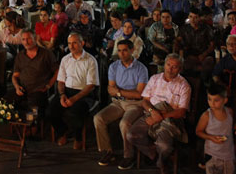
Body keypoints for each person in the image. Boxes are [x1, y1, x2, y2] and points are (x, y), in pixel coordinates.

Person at [127, 53, 191, 174]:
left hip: (170, 118)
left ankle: (161, 161)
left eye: (175, 66)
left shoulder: (184, 85)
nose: (170, 69)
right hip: (151, 113)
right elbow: (144, 101)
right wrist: (152, 112)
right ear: (164, 65)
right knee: (131, 135)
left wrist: (161, 116)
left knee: (164, 146)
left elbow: (181, 111)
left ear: (180, 69)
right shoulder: (155, 78)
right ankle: (152, 153)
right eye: (168, 65)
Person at [95, 39, 148, 167]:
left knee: (124, 123)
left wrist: (118, 91)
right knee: (98, 118)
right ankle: (107, 151)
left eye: (125, 50)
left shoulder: (141, 69)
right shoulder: (114, 66)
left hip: (135, 104)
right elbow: (110, 89)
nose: (121, 54)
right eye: (119, 51)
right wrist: (122, 93)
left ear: (132, 50)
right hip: (118, 103)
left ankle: (128, 156)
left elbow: (139, 94)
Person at [49, 32, 99, 148]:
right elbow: (60, 81)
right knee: (50, 111)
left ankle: (78, 137)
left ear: (82, 43)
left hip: (84, 93)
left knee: (75, 112)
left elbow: (91, 85)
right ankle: (63, 132)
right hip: (66, 91)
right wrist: (62, 95)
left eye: (75, 43)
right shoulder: (65, 59)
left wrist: (74, 99)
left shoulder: (90, 60)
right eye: (69, 43)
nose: (71, 46)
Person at [12, 30, 57, 115]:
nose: (26, 42)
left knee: (33, 112)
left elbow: (58, 71)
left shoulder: (46, 54)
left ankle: (34, 127)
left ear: (35, 38)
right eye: (23, 39)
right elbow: (15, 76)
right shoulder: (20, 55)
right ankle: (16, 127)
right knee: (5, 104)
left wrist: (49, 85)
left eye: (29, 39)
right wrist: (17, 87)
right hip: (22, 89)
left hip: (38, 90)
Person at [195, 84, 235, 174]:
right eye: (209, 99)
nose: (212, 103)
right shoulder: (207, 115)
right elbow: (198, 131)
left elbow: (230, 128)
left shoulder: (229, 112)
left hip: (228, 154)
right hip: (212, 154)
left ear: (225, 100)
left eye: (216, 100)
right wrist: (211, 137)